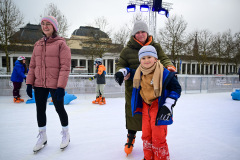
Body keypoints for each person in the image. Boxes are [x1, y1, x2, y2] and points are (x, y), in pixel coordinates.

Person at [114, 20, 177, 156]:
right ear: (134, 34)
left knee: (151, 120)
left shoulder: (155, 46)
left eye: (143, 31)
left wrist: (169, 67)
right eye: (138, 32)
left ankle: (154, 143)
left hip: (154, 89)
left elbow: (164, 59)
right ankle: (131, 138)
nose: (141, 34)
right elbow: (121, 64)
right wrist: (120, 72)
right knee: (132, 114)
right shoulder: (127, 50)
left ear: (147, 33)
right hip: (134, 88)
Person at [26, 16, 71, 152]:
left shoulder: (61, 44)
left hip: (55, 84)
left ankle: (65, 134)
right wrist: (29, 83)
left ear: (54, 27)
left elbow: (65, 67)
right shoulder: (37, 44)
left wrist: (61, 86)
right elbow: (32, 65)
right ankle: (42, 136)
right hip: (39, 83)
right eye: (43, 24)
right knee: (40, 110)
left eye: (48, 24)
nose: (45, 26)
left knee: (59, 108)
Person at [132, 45, 181, 160]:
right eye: (143, 58)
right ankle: (148, 157)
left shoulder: (164, 73)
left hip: (159, 108)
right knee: (146, 136)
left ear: (155, 58)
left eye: (149, 57)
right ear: (140, 60)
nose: (146, 60)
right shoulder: (139, 72)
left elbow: (176, 89)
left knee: (158, 138)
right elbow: (129, 72)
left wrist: (168, 105)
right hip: (145, 107)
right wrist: (123, 71)